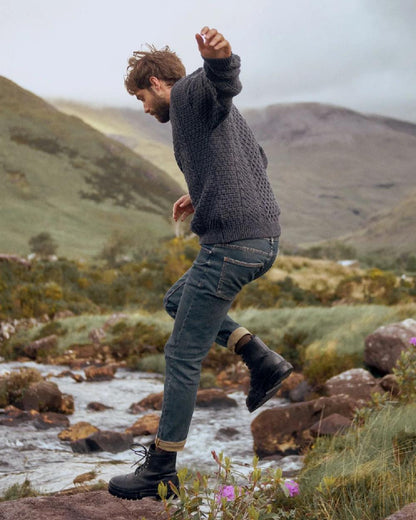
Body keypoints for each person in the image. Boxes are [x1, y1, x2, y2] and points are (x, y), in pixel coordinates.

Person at [108, 26, 293, 501]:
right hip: (259, 240)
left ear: (155, 84)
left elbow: (221, 80)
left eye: (141, 98)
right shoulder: (212, 118)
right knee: (176, 299)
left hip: (231, 245)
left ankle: (161, 469)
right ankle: (261, 358)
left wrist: (222, 58)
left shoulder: (190, 94)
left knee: (182, 354)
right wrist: (202, 192)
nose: (145, 109)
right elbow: (257, 159)